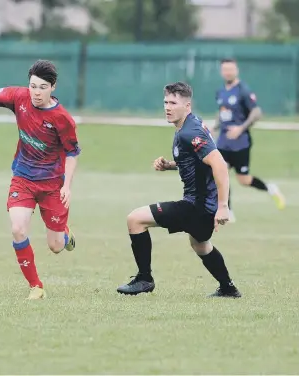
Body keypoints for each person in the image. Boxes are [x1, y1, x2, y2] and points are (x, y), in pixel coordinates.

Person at [117, 82, 241, 298]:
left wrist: (223, 207)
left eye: (173, 103)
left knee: (135, 219)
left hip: (197, 206)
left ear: (187, 105)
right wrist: (171, 165)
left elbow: (219, 165)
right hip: (202, 206)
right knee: (200, 244)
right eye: (166, 102)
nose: (167, 107)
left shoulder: (189, 132)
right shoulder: (190, 125)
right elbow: (198, 161)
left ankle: (144, 279)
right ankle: (228, 288)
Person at [0, 59, 81, 300]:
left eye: (42, 87)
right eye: (33, 86)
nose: (36, 92)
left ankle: (64, 233)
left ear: (53, 87)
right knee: (18, 229)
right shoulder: (18, 97)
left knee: (56, 246)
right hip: (23, 178)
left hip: (52, 185)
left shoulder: (62, 118)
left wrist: (67, 186)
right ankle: (36, 287)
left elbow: (72, 152)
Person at [213, 58, 285, 221]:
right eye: (225, 70)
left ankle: (270, 188)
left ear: (236, 70)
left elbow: (256, 112)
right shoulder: (220, 91)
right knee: (220, 173)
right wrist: (215, 126)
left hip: (240, 143)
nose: (228, 72)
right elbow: (222, 112)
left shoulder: (243, 90)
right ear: (221, 71)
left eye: (230, 69)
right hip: (223, 142)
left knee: (244, 180)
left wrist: (241, 128)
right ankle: (228, 211)